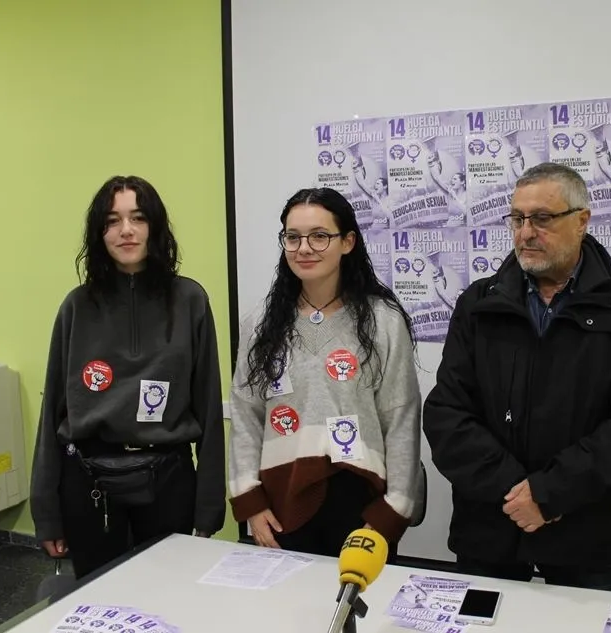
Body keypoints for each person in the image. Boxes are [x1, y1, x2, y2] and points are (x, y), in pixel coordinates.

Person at [422, 162, 611, 592]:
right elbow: (447, 413)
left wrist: (549, 493)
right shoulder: (479, 303)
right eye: (517, 219)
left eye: (541, 218)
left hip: (589, 536)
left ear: (581, 221)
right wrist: (515, 491)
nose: (525, 233)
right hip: (491, 529)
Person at [29, 175, 226, 579]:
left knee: (169, 597)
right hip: (88, 483)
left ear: (155, 226)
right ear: (99, 233)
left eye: (138, 217)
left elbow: (208, 406)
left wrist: (209, 506)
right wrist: (46, 510)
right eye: (112, 221)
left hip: (168, 481)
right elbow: (53, 411)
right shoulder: (77, 306)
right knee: (101, 602)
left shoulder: (190, 301)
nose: (126, 230)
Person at [227, 187, 422, 557]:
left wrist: (393, 508)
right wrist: (249, 502)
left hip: (362, 505)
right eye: (293, 237)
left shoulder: (383, 321)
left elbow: (401, 418)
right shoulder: (260, 324)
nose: (304, 248)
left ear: (347, 242)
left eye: (319, 236)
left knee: (360, 611)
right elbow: (245, 413)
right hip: (280, 505)